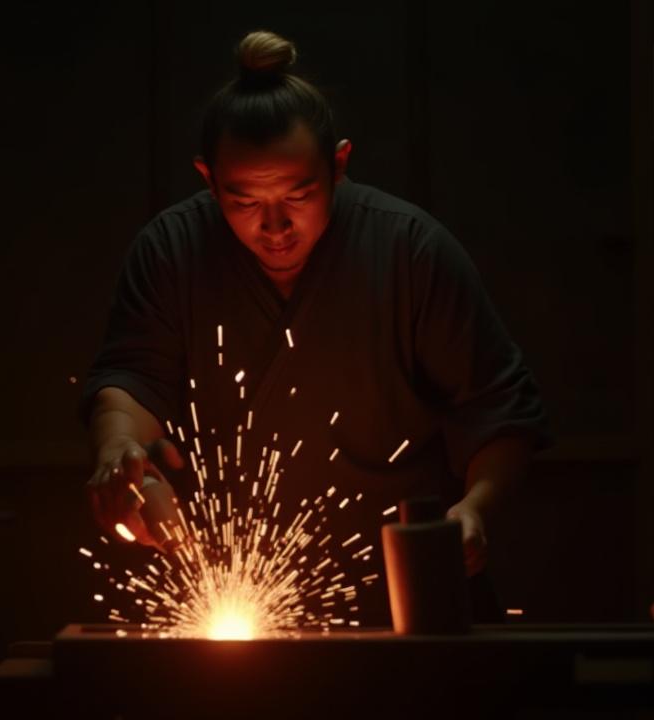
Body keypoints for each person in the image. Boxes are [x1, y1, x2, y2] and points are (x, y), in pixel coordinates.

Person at [81, 30, 547, 624]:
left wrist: (476, 508)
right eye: (244, 201)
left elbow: (499, 408)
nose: (275, 227)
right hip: (224, 591)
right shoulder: (171, 251)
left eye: (298, 195)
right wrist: (118, 446)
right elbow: (131, 380)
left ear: (340, 164)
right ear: (207, 177)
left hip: (406, 592)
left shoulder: (411, 251)